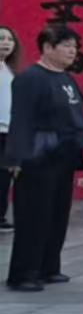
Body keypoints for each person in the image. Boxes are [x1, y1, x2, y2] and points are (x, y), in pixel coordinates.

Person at [6, 27, 83, 292]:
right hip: (37, 155)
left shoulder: (66, 79)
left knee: (57, 213)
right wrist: (15, 158)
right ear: (47, 48)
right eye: (66, 45)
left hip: (64, 154)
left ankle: (48, 267)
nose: (72, 51)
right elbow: (21, 120)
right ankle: (24, 273)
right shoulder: (30, 78)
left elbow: (75, 119)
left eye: (74, 46)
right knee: (34, 215)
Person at [0, 26, 16, 230]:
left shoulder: (10, 69)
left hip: (8, 131)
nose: (6, 42)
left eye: (9, 39)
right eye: (1, 38)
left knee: (4, 177)